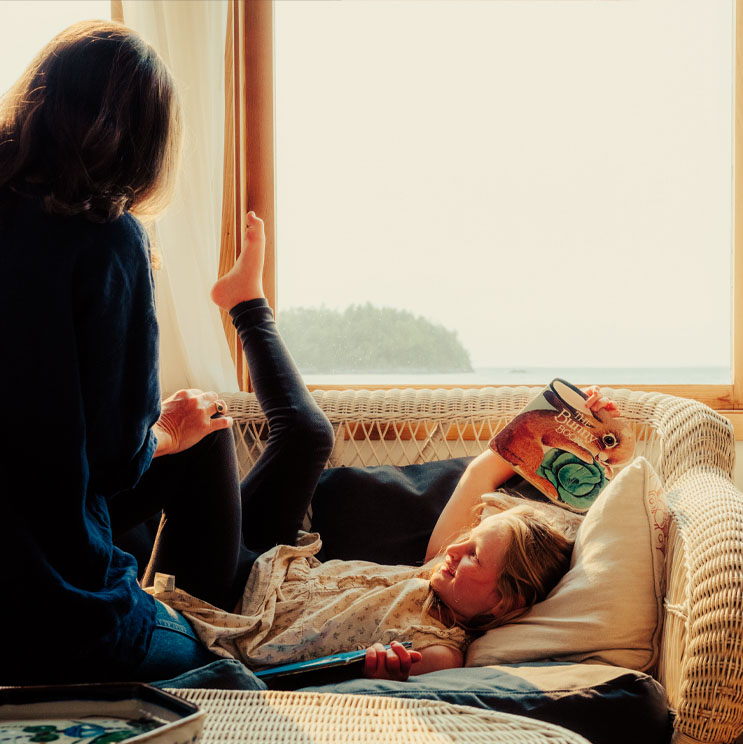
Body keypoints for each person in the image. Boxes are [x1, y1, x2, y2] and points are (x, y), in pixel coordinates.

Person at [0, 20, 333, 686]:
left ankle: (245, 304)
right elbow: (115, 461)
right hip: (52, 619)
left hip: (35, 546)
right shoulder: (105, 237)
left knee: (227, 432)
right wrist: (161, 434)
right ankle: (247, 305)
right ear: (144, 143)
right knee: (226, 673)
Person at [150, 212, 574, 681]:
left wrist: (380, 670)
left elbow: (371, 674)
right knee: (310, 434)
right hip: (266, 565)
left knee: (209, 433)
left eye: (473, 555)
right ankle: (245, 301)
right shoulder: (436, 565)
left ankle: (94, 515)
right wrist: (577, 425)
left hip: (223, 606)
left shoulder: (442, 648)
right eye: (467, 541)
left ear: (505, 603)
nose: (456, 549)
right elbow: (484, 470)